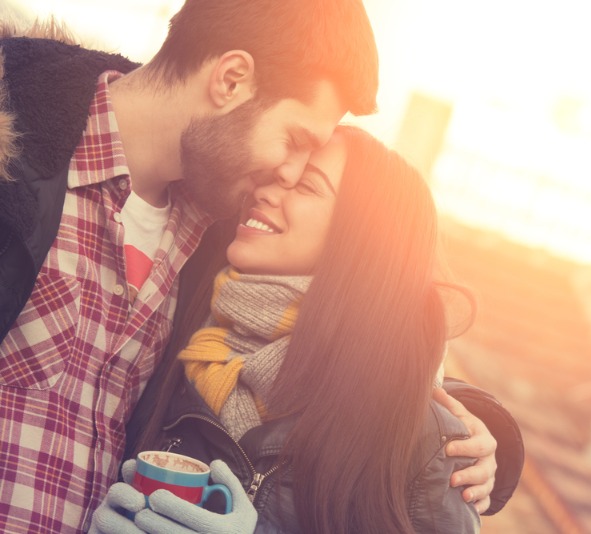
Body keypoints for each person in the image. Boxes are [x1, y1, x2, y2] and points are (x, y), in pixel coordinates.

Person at [0, 4, 521, 533]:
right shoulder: (15, 159)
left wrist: (464, 427)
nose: (286, 174)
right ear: (231, 79)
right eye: (295, 141)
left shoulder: (214, 226)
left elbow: (365, 319)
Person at [91, 124, 502, 533]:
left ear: (363, 237)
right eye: (274, 175)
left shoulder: (422, 440)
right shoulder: (178, 340)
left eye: (306, 186)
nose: (267, 191)